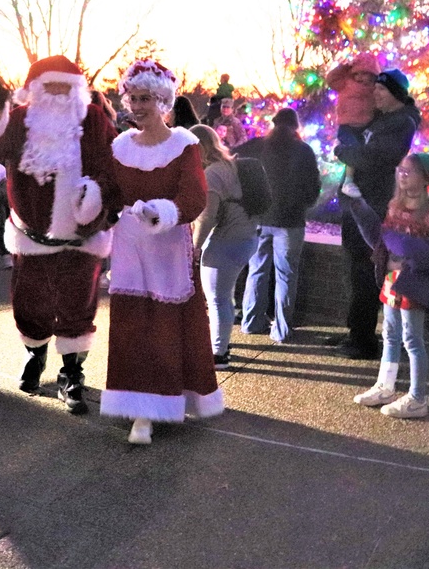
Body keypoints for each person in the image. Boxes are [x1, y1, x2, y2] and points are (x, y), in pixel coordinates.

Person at [0, 56, 118, 414]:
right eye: (49, 85)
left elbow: (112, 167)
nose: (57, 93)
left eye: (64, 86)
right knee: (29, 303)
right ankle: (35, 356)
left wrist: (97, 197)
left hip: (81, 239)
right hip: (31, 238)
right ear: (35, 89)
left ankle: (71, 375)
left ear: (77, 89)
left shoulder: (94, 120)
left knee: (77, 307)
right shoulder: (20, 120)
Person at [100, 59, 224, 444]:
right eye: (133, 98)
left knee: (166, 326)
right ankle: (139, 408)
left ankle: (166, 400)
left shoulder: (184, 145)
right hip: (129, 247)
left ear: (164, 101)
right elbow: (110, 191)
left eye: (146, 99)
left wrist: (163, 212)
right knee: (131, 324)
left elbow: (194, 196)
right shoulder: (120, 146)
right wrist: (92, 199)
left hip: (168, 247)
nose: (137, 107)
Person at [343, 153, 429, 418]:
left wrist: (408, 258)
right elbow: (383, 239)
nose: (403, 175)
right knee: (390, 336)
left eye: (410, 171)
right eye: (401, 169)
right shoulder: (394, 204)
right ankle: (385, 385)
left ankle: (418, 397)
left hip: (413, 285)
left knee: (412, 340)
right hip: (392, 282)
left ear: (425, 178)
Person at [332, 68, 419, 360]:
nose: (375, 94)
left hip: (374, 205)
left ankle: (364, 339)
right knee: (353, 269)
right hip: (356, 203)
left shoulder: (402, 123)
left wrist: (343, 152)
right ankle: (355, 330)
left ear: (395, 93)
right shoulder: (378, 118)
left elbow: (375, 157)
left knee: (366, 270)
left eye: (381, 90)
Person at [236, 108, 321, 343]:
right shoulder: (304, 151)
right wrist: (305, 203)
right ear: (295, 127)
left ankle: (251, 322)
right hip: (291, 221)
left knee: (257, 270)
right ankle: (281, 329)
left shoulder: (257, 146)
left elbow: (232, 158)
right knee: (286, 275)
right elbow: (313, 186)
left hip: (259, 219)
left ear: (273, 123)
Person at [190, 124, 258, 370]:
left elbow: (207, 217)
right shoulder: (230, 164)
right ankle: (222, 344)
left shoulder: (213, 173)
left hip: (227, 241)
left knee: (217, 299)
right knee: (224, 297)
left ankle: (218, 354)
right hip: (247, 237)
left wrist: (196, 248)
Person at [326, 52, 380, 199]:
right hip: (347, 126)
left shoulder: (374, 89)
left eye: (365, 74)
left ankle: (357, 181)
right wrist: (345, 67)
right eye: (358, 74)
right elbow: (331, 79)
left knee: (364, 153)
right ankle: (348, 182)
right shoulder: (346, 83)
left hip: (365, 127)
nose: (361, 78)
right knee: (353, 151)